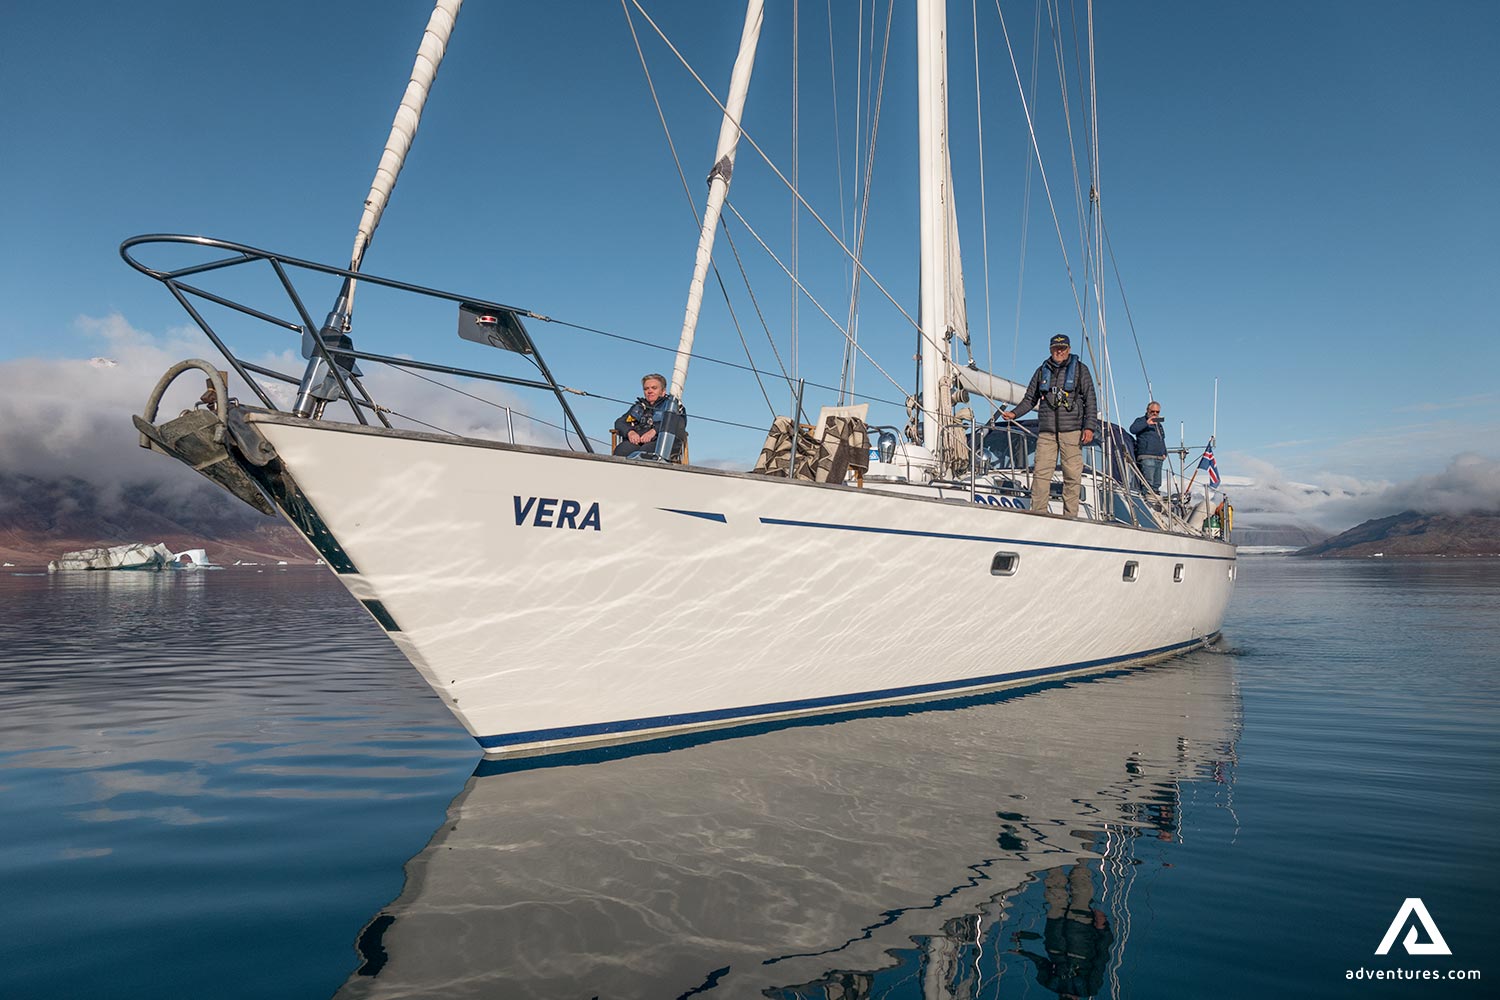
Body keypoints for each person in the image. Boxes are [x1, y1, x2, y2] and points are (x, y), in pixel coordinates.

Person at [1001, 334, 1098, 517]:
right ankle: (1039, 514)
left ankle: (1070, 516)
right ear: (1050, 349)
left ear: (1069, 349)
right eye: (1055, 348)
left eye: (1062, 348)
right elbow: (1030, 399)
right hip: (1047, 432)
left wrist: (1089, 427)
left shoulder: (1080, 370)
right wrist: (1014, 413)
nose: (1059, 351)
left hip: (1072, 431)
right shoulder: (1041, 371)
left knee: (1072, 475)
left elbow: (1090, 400)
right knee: (1041, 473)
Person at [613, 373, 688, 460]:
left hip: (661, 443)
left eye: (654, 388)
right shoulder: (639, 407)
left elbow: (678, 423)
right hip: (637, 443)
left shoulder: (672, 406)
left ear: (663, 391)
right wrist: (630, 432)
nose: (649, 391)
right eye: (646, 389)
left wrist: (654, 431)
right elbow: (620, 422)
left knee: (646, 452)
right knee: (622, 450)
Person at [1128, 401, 1167, 494]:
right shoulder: (1141, 420)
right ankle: (1147, 501)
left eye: (1157, 412)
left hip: (1159, 457)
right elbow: (1132, 429)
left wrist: (1164, 452)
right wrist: (1146, 423)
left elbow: (1161, 438)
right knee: (1148, 482)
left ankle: (1155, 502)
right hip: (1146, 455)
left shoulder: (1158, 424)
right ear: (1147, 410)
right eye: (1153, 411)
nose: (1155, 414)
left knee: (1157, 483)